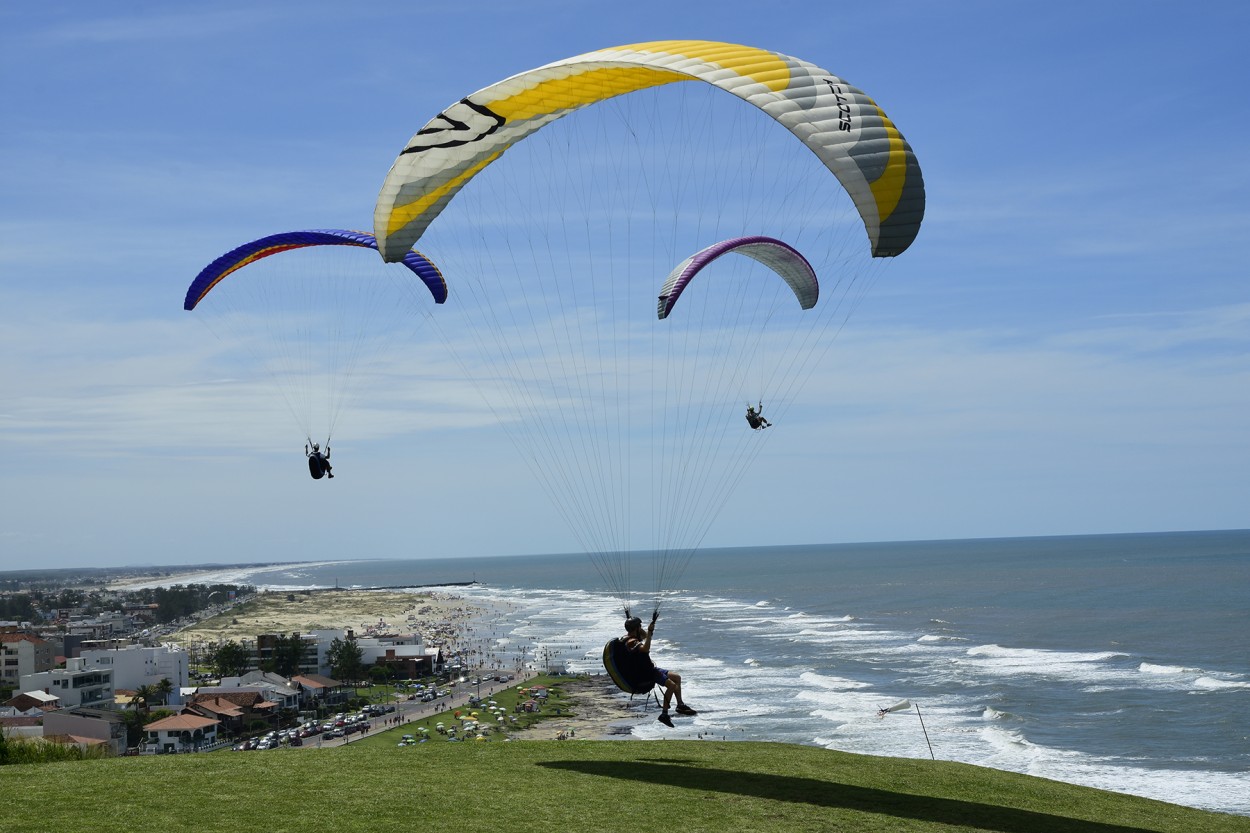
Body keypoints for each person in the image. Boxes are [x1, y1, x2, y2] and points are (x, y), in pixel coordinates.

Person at [624, 612, 696, 727]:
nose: (641, 629)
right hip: (647, 673)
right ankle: (664, 714)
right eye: (639, 627)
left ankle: (680, 705)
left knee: (677, 677)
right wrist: (649, 631)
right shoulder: (631, 641)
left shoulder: (634, 638)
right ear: (636, 629)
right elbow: (645, 648)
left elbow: (644, 636)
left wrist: (644, 628)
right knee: (672, 685)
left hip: (651, 669)